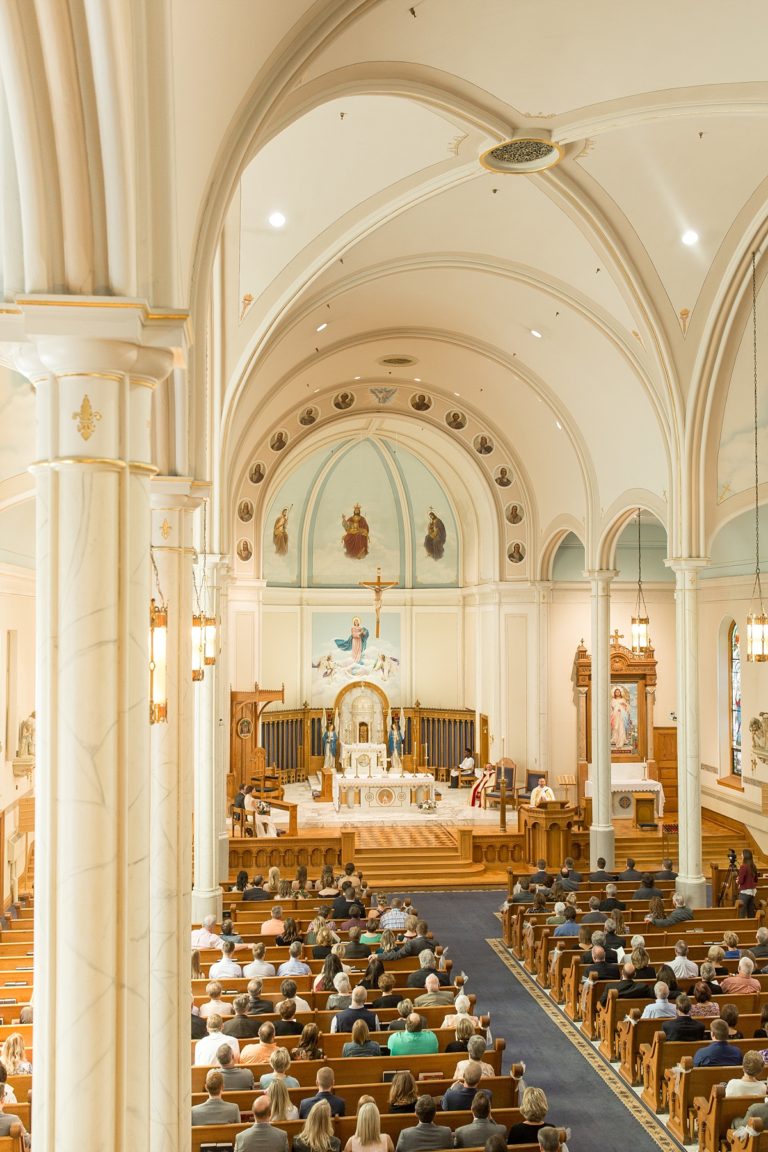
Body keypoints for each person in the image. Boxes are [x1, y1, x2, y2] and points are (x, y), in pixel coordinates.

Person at [737, 849, 759, 918]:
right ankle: (751, 927)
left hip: (744, 892)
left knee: (741, 913)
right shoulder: (753, 866)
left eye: (742, 854)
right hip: (752, 892)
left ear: (745, 856)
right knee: (750, 912)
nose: (741, 855)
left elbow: (741, 881)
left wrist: (737, 881)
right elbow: (756, 879)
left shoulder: (743, 867)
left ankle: (741, 927)